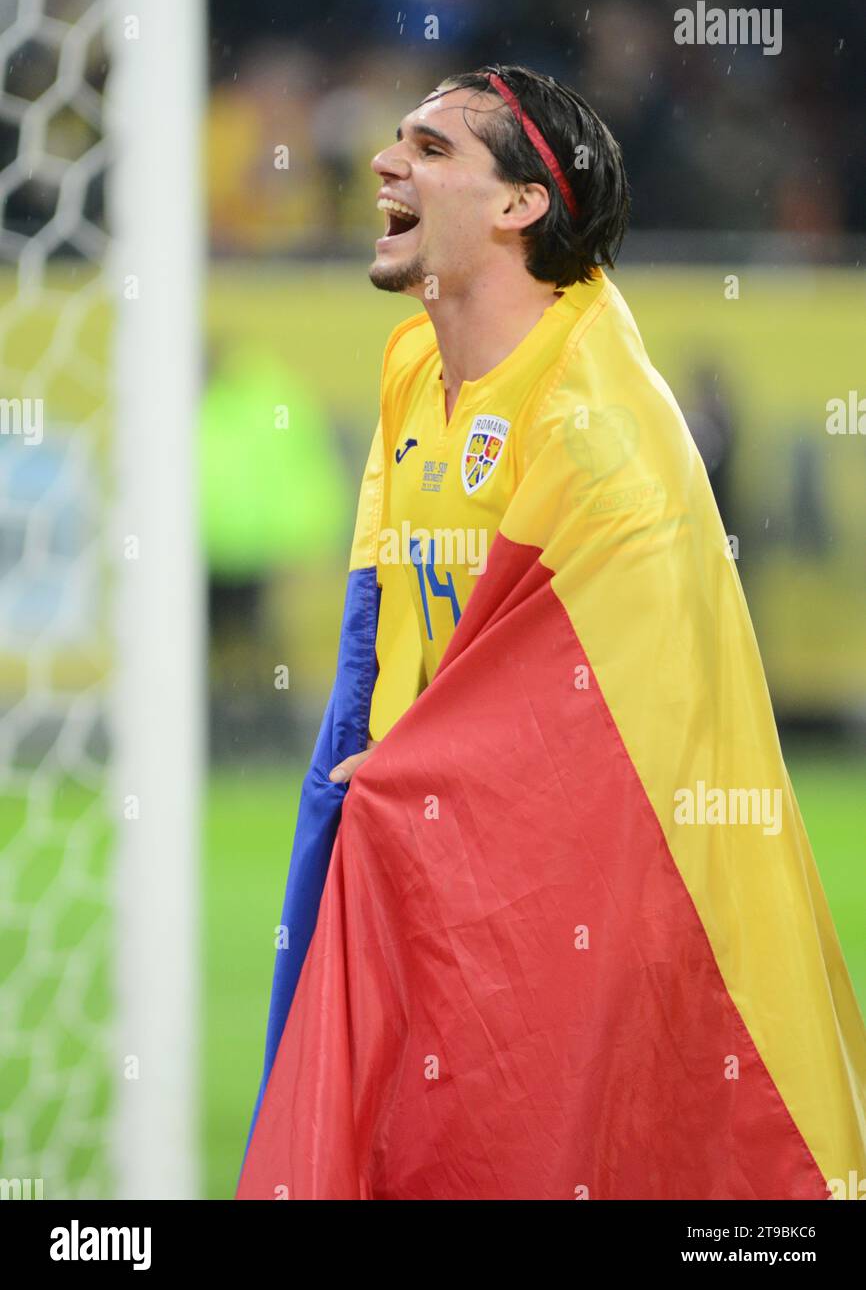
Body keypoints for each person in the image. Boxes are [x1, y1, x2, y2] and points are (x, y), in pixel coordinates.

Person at [238, 64, 866, 1201]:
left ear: (521, 204)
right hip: (421, 871)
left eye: (430, 151)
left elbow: (589, 735)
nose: (384, 163)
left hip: (552, 900)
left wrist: (392, 803)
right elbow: (377, 639)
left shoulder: (591, 425)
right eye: (396, 142)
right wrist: (342, 807)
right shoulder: (411, 366)